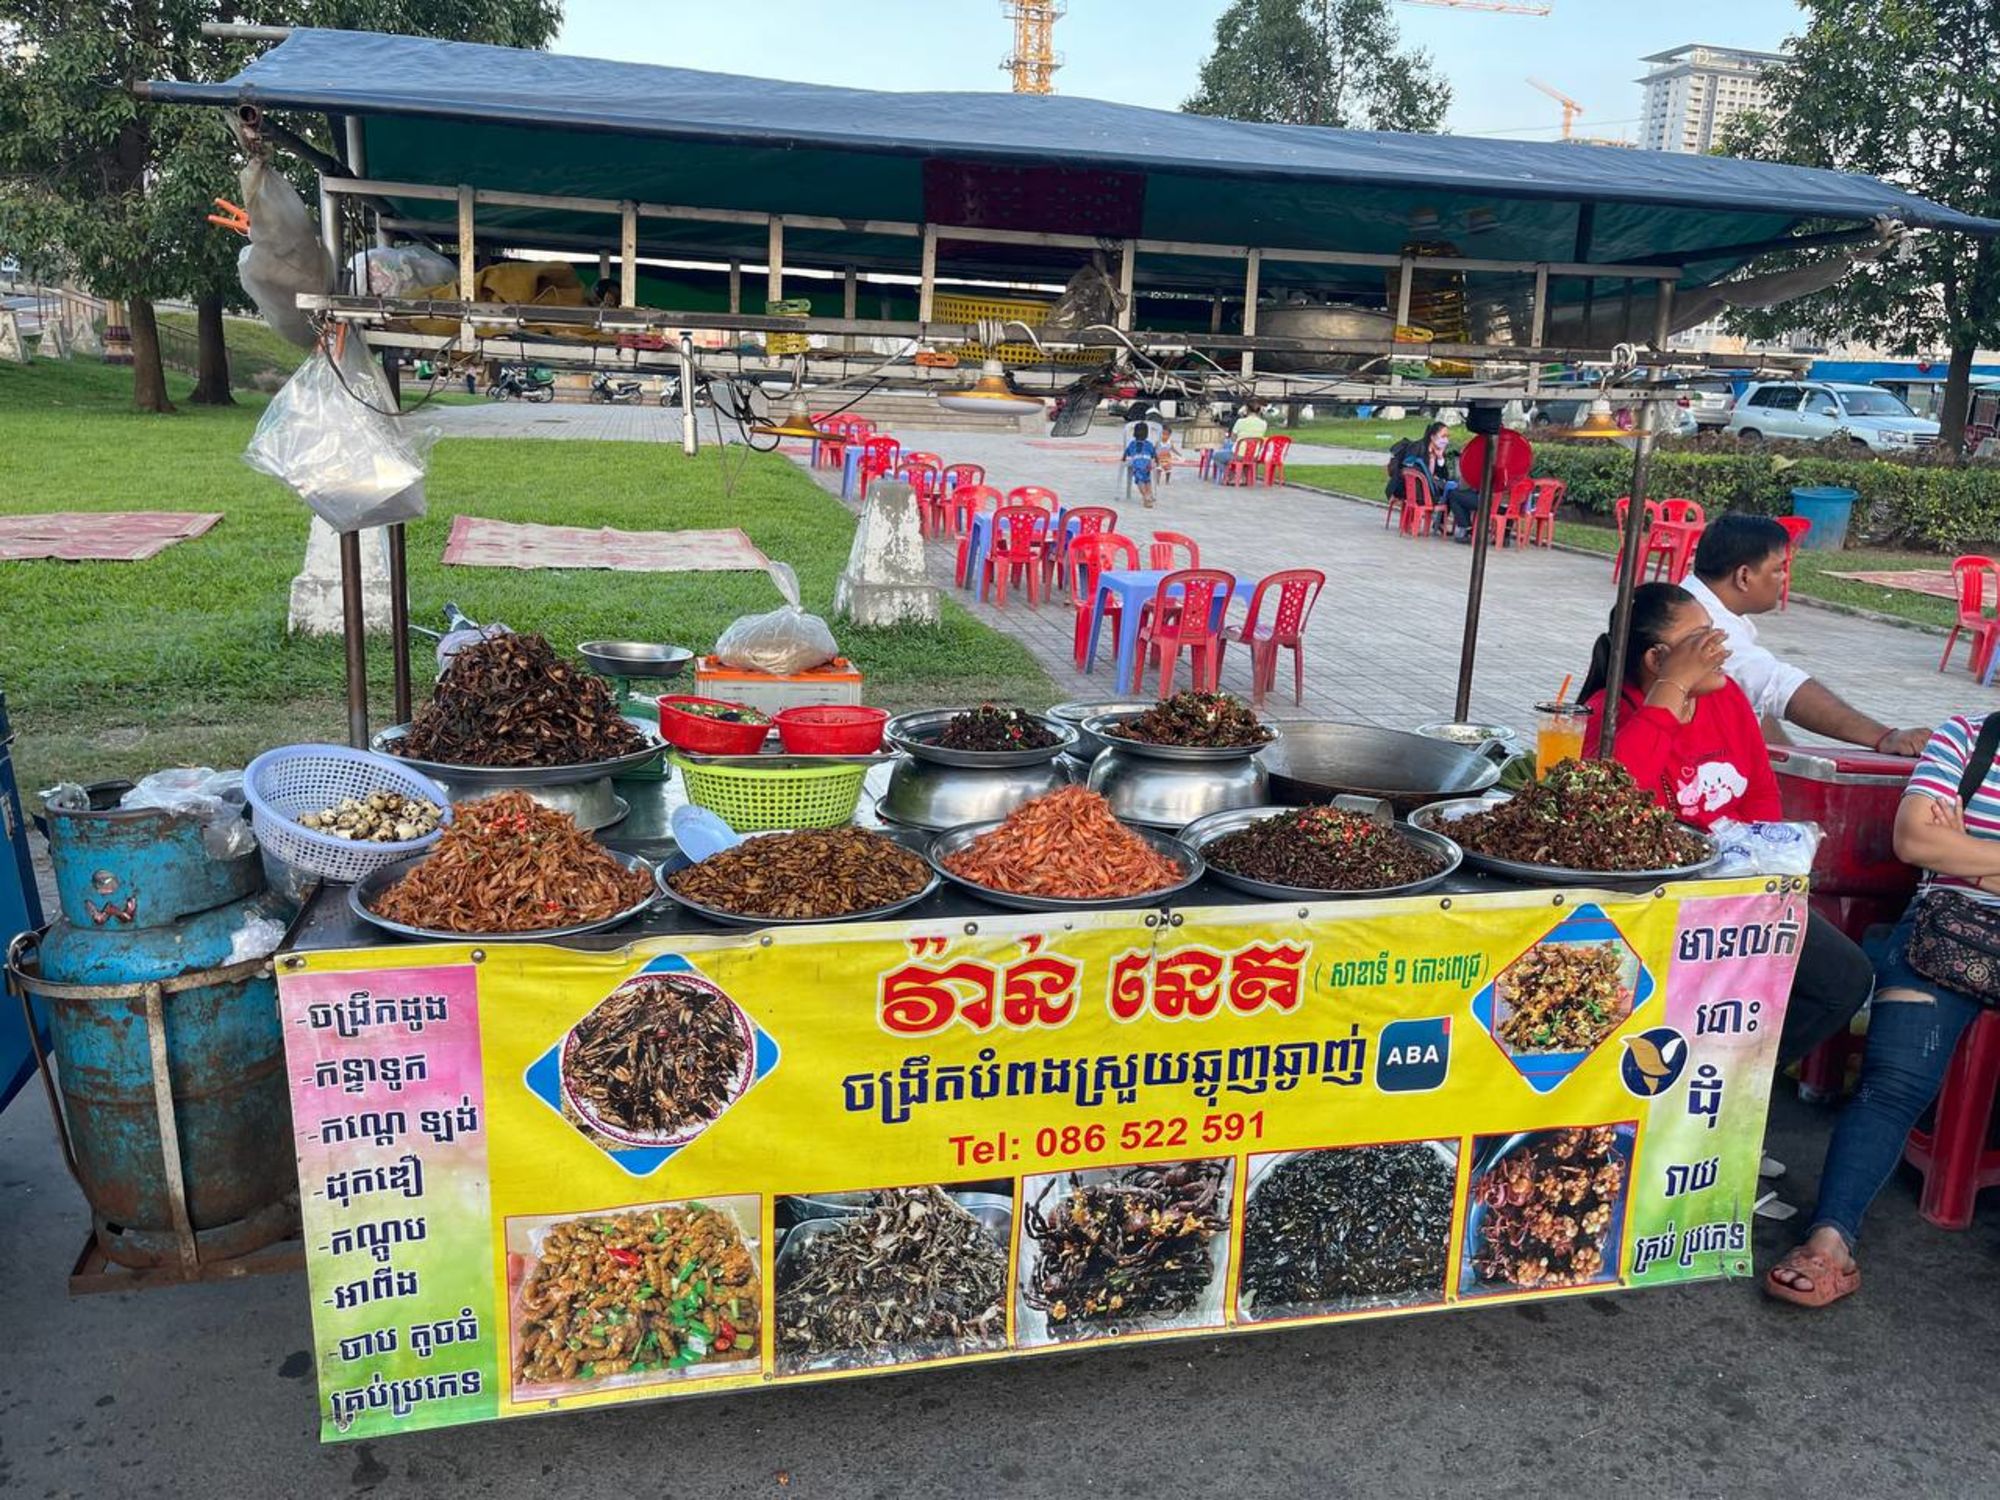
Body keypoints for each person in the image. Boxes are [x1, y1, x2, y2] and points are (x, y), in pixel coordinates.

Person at [1578, 582, 1873, 1069]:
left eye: (1716, 634)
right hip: (1653, 901)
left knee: (1842, 980)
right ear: (1657, 658)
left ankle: (1734, 1079)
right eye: (1702, 641)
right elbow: (1612, 800)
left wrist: (1760, 870)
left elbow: (1759, 792)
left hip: (1739, 888)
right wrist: (1668, 695)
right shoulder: (1606, 714)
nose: (1721, 649)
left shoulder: (1727, 697)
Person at [1765, 712, 2000, 1307]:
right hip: (1946, 933)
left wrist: (1970, 850)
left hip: (1959, 894)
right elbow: (1916, 840)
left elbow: (1942, 845)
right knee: (1892, 1083)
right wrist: (1956, 855)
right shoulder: (1968, 739)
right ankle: (1830, 1240)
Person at [1683, 515, 1930, 756]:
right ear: (1744, 577)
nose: (1785, 577)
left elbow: (1756, 703)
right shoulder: (1703, 622)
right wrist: (1884, 737)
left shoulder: (1693, 601)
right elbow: (1778, 688)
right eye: (1779, 569)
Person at [1395, 422, 1475, 540]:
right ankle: (1444, 523)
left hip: (1430, 487)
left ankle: (1442, 523)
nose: (1446, 440)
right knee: (1452, 493)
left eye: (1447, 436)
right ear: (1433, 437)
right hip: (1416, 490)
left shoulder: (1439, 451)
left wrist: (1440, 458)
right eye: (1443, 436)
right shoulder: (1418, 448)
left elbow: (1445, 476)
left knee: (1451, 489)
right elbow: (1410, 468)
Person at [1124, 421, 1159, 509]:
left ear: (1134, 433)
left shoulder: (1132, 444)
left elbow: (1126, 453)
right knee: (1147, 480)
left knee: (1140, 480)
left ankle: (1145, 496)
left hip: (1137, 464)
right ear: (1147, 434)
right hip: (1147, 464)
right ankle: (1150, 494)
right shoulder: (1149, 444)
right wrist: (1157, 461)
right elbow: (1154, 454)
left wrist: (1123, 459)